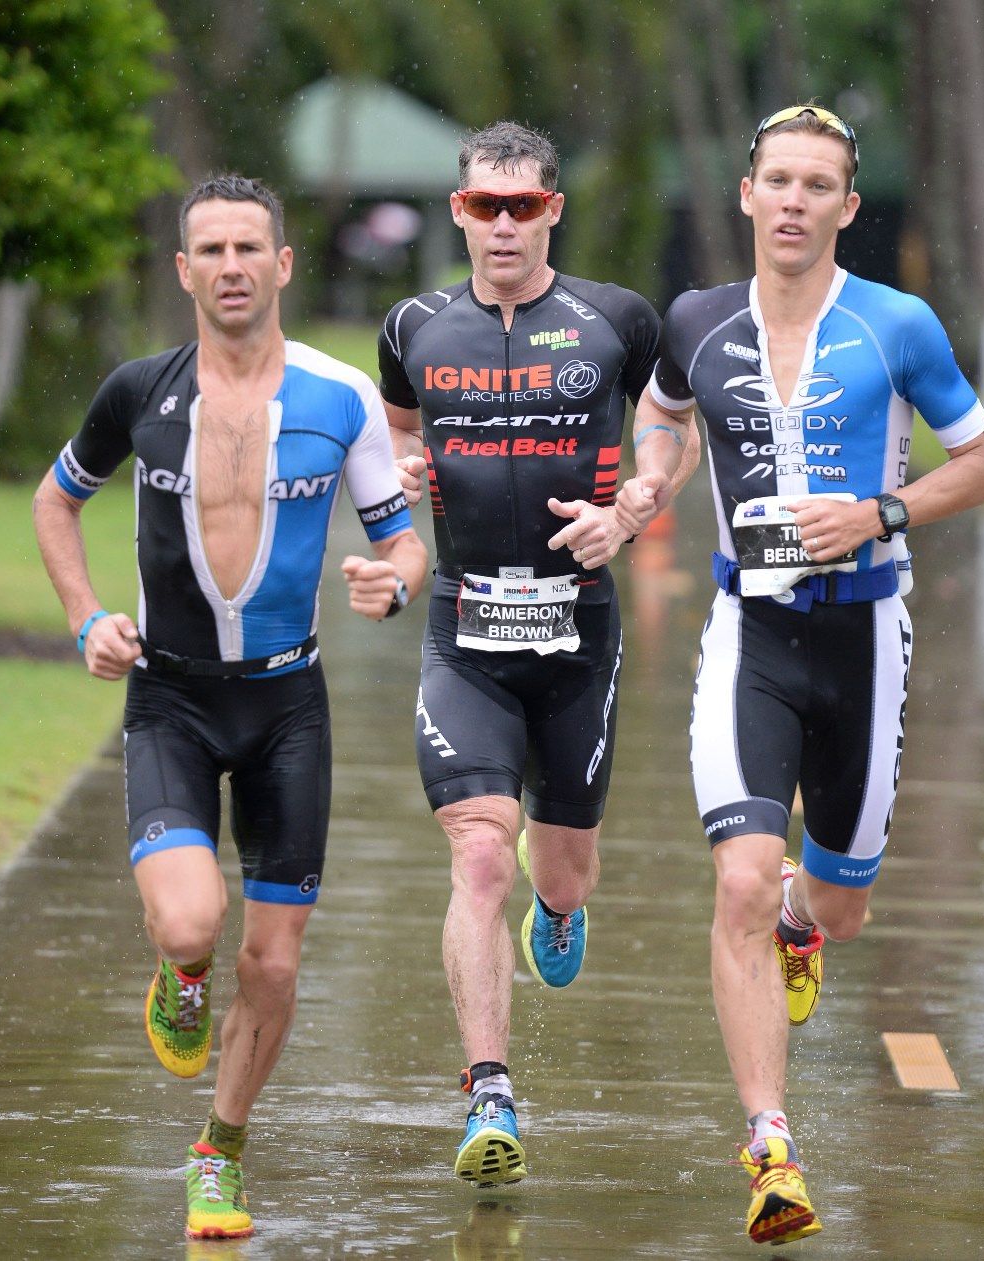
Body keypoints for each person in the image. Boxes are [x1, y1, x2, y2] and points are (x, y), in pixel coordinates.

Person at [632, 105, 984, 1245]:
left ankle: (806, 914)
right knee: (738, 879)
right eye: (776, 180)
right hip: (748, 637)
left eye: (817, 185)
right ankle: (768, 1143)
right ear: (745, 193)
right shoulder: (694, 320)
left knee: (834, 908)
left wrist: (879, 511)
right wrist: (650, 483)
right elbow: (662, 418)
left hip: (864, 639)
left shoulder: (896, 325)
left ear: (846, 206)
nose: (792, 202)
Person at [32, 174, 427, 1240]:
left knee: (279, 960)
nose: (231, 268)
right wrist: (86, 621)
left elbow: (401, 539)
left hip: (287, 706)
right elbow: (54, 501)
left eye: (249, 248)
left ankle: (220, 1151)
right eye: (209, 251)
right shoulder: (138, 392)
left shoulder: (339, 397)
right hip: (168, 698)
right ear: (184, 270)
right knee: (193, 922)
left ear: (283, 262)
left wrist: (393, 580)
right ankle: (181, 974)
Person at [377, 121, 698, 1186]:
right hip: (464, 632)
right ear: (459, 211)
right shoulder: (412, 325)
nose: (502, 225)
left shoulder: (616, 319)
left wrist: (637, 508)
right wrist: (404, 483)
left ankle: (558, 903)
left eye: (523, 206)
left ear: (552, 209)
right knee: (477, 853)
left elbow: (670, 425)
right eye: (482, 206)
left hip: (576, 630)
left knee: (558, 869)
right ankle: (488, 1093)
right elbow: (393, 431)